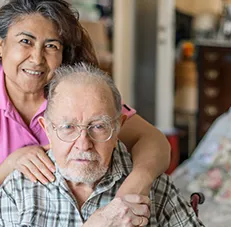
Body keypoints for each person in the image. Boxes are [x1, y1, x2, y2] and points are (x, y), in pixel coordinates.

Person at [0, 63, 219, 227]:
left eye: (98, 126)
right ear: (46, 129)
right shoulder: (18, 191)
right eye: (68, 127)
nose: (83, 144)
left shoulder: (153, 186)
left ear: (118, 128)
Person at [0, 0, 170, 197]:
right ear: (1, 45)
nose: (37, 58)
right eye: (25, 41)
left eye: (51, 45)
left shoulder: (77, 95)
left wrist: (133, 187)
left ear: (64, 54)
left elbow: (155, 141)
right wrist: (10, 165)